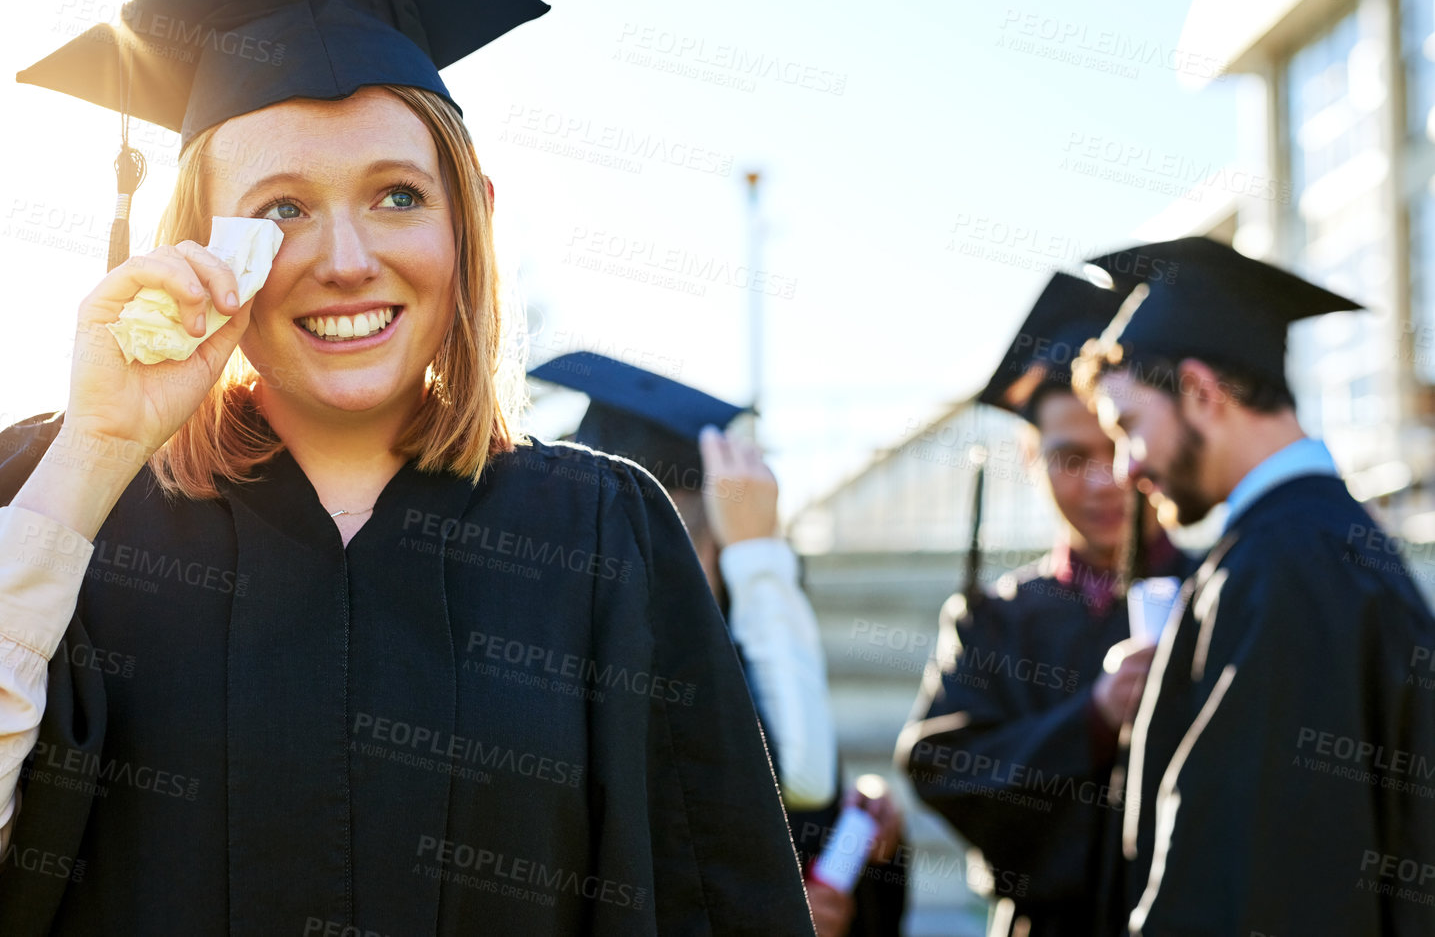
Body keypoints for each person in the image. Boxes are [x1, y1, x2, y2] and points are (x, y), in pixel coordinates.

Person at [0, 0, 815, 937]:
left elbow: (715, 905)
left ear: (469, 216)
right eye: (280, 209)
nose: (346, 258)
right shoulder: (59, 502)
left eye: (397, 195)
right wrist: (93, 455)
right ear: (203, 242)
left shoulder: (602, 539)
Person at [1074, 236, 1435, 936]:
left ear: (1201, 391)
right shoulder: (1327, 542)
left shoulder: (1283, 564)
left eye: (1128, 426)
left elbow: (1257, 878)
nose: (1123, 470)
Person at [529, 351, 907, 937]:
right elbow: (799, 775)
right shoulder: (571, 664)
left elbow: (804, 796)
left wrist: (858, 819)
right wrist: (761, 562)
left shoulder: (729, 639)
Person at [897, 271, 1196, 937]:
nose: (1102, 482)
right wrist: (1093, 716)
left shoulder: (1219, 590)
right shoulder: (995, 616)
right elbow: (940, 765)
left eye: (1116, 446)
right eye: (1069, 458)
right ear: (1030, 459)